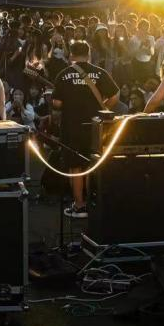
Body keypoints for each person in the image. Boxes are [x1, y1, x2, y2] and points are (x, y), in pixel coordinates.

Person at [52, 40, 119, 219]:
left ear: (71, 55)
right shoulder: (100, 72)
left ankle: (79, 205)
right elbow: (115, 95)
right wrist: (103, 108)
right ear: (88, 54)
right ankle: (94, 203)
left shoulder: (64, 74)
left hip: (72, 126)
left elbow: (57, 103)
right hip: (95, 125)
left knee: (75, 165)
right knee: (93, 163)